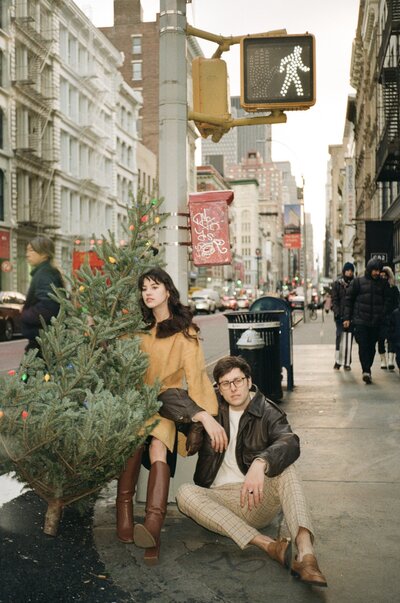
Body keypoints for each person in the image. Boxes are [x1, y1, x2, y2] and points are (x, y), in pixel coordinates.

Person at [176, 356, 327, 588]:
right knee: (185, 493)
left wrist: (260, 462)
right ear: (219, 388)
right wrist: (204, 417)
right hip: (219, 500)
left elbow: (290, 441)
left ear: (249, 381)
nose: (233, 388)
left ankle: (306, 555)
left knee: (287, 469)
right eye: (225, 383)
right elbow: (168, 399)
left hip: (255, 498)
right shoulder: (210, 408)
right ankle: (268, 545)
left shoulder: (267, 411)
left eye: (238, 380)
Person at [116, 267, 228, 565]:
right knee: (134, 442)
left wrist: (205, 415)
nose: (148, 292)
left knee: (157, 444)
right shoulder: (136, 329)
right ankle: (124, 510)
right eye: (144, 288)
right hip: (136, 403)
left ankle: (153, 524)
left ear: (168, 290)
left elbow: (197, 377)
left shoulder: (184, 331)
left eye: (154, 286)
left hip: (167, 405)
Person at [343, 258, 390, 384]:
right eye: (374, 270)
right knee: (363, 345)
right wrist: (347, 318)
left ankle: (367, 367)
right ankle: (366, 371)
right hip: (360, 321)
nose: (376, 273)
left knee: (371, 347)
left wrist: (383, 315)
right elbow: (349, 301)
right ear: (369, 270)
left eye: (378, 270)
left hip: (376, 322)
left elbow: (387, 301)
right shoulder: (358, 282)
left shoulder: (383, 284)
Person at [21, 235, 64, 353]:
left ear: (44, 254)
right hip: (45, 339)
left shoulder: (44, 274)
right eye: (27, 250)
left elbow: (48, 307)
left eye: (31, 250)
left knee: (30, 370)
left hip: (43, 341)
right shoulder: (46, 272)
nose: (27, 254)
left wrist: (24, 314)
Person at [331, 262, 355, 370]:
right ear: (344, 271)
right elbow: (335, 300)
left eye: (351, 270)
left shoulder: (355, 283)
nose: (350, 272)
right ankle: (337, 361)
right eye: (348, 270)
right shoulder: (337, 284)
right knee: (339, 337)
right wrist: (337, 313)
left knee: (349, 338)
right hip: (340, 316)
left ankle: (347, 362)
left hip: (351, 316)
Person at [377, 266, 399, 370]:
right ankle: (383, 360)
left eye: (385, 275)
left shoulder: (393, 288)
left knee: (392, 338)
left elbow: (397, 302)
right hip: (381, 317)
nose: (383, 277)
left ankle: (391, 359)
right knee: (381, 339)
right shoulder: (377, 288)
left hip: (392, 316)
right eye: (381, 275)